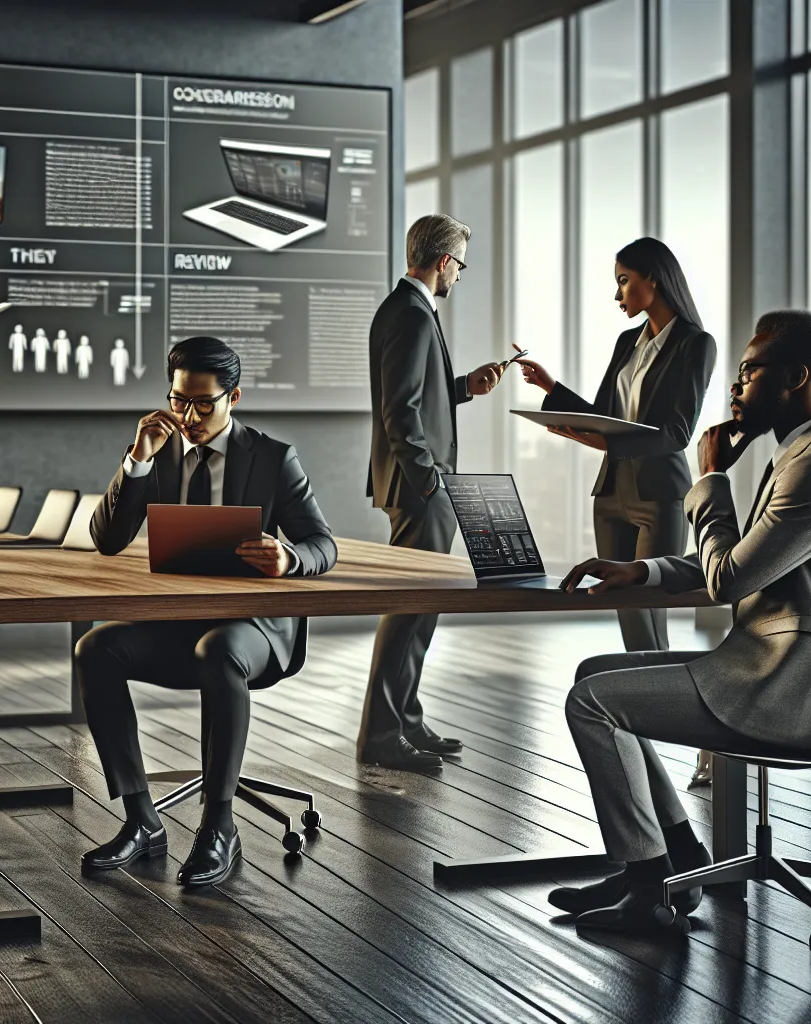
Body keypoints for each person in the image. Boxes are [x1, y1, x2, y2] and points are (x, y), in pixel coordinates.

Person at [548, 310, 811, 932]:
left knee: (593, 702)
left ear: (796, 377)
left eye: (750, 371)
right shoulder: (802, 456)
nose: (735, 386)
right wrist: (640, 571)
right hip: (766, 662)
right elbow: (735, 561)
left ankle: (649, 884)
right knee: (596, 672)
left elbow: (728, 578)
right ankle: (677, 853)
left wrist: (711, 478)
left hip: (787, 687)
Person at [76, 336, 337, 888]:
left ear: (234, 397)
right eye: (177, 401)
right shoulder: (161, 451)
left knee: (216, 650)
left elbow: (323, 543)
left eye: (202, 404)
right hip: (179, 624)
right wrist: (137, 460)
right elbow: (107, 540)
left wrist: (288, 557)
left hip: (254, 632)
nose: (187, 416)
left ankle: (220, 826)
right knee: (95, 648)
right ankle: (141, 820)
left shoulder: (272, 457)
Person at [514, 237, 719, 786]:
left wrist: (603, 442)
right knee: (634, 630)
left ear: (655, 279)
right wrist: (553, 389)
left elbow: (676, 432)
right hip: (612, 495)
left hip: (658, 493)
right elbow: (606, 415)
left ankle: (705, 739)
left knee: (652, 626)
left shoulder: (697, 344)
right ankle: (651, 753)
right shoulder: (628, 341)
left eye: (625, 280)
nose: (618, 293)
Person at [360, 213, 508, 770]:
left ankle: (406, 721)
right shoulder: (413, 313)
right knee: (409, 610)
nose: (459, 276)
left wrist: (465, 387)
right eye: (460, 266)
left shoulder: (407, 309)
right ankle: (381, 735)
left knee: (420, 610)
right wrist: (429, 481)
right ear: (444, 261)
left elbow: (418, 396)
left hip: (420, 481)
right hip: (421, 484)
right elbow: (400, 412)